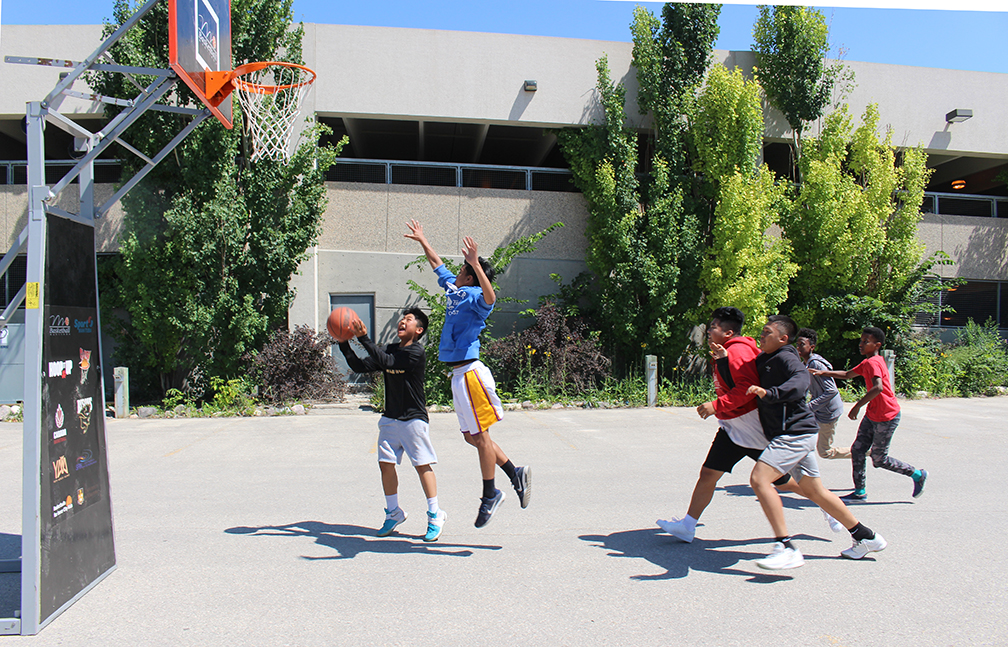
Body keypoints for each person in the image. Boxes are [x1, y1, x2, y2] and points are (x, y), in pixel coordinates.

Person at [657, 307, 843, 543]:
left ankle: (821, 512)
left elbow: (745, 388)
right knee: (709, 474)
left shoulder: (740, 351)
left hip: (749, 426)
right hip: (733, 426)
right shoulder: (728, 351)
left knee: (783, 482)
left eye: (714, 326)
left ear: (728, 332)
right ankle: (688, 525)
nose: (709, 330)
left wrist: (717, 405)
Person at [405, 219, 530, 528]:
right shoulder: (453, 289)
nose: (457, 271)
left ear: (470, 276)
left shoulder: (475, 297)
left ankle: (490, 494)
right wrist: (422, 239)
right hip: (458, 376)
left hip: (471, 372)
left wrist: (475, 263)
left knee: (482, 436)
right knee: (471, 437)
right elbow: (436, 263)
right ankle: (515, 473)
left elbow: (491, 299)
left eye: (463, 270)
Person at [746, 315, 887, 570]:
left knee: (759, 479)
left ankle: (786, 547)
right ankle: (865, 536)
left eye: (767, 332)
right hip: (799, 432)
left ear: (783, 338)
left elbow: (800, 382)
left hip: (794, 433)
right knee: (815, 491)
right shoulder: (765, 358)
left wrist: (770, 393)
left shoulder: (787, 357)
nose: (761, 335)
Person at [337, 308, 447, 542]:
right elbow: (361, 367)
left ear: (418, 330)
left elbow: (386, 362)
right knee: (385, 465)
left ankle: (435, 515)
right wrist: (344, 343)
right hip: (390, 418)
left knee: (422, 465)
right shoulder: (390, 348)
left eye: (408, 320)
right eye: (402, 319)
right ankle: (394, 512)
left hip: (414, 419)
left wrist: (364, 339)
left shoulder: (416, 352)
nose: (402, 322)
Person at [809, 326, 928, 501]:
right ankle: (860, 492)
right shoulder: (869, 361)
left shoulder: (873, 362)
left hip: (887, 416)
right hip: (873, 415)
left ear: (877, 345)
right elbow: (848, 374)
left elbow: (878, 387)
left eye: (866, 342)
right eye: (861, 340)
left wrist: (857, 406)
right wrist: (824, 372)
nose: (861, 344)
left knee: (879, 459)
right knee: (858, 450)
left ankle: (917, 474)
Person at [794, 328, 851, 460]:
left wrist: (810, 406)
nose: (798, 347)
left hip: (828, 413)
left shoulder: (816, 364)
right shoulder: (806, 364)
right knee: (796, 434)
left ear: (812, 347)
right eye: (797, 344)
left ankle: (862, 451)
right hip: (818, 411)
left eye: (802, 344)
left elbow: (831, 391)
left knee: (825, 452)